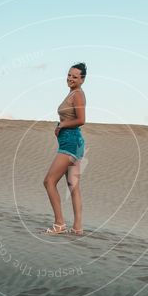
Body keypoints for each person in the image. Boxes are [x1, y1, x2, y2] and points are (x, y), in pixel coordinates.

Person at [42, 63, 87, 235]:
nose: (70, 79)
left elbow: (82, 119)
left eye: (75, 77)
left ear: (82, 80)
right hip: (73, 142)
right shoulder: (73, 93)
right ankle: (77, 227)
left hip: (70, 143)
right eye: (69, 75)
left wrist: (62, 124)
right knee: (73, 185)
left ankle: (59, 224)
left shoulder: (77, 95)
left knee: (49, 181)